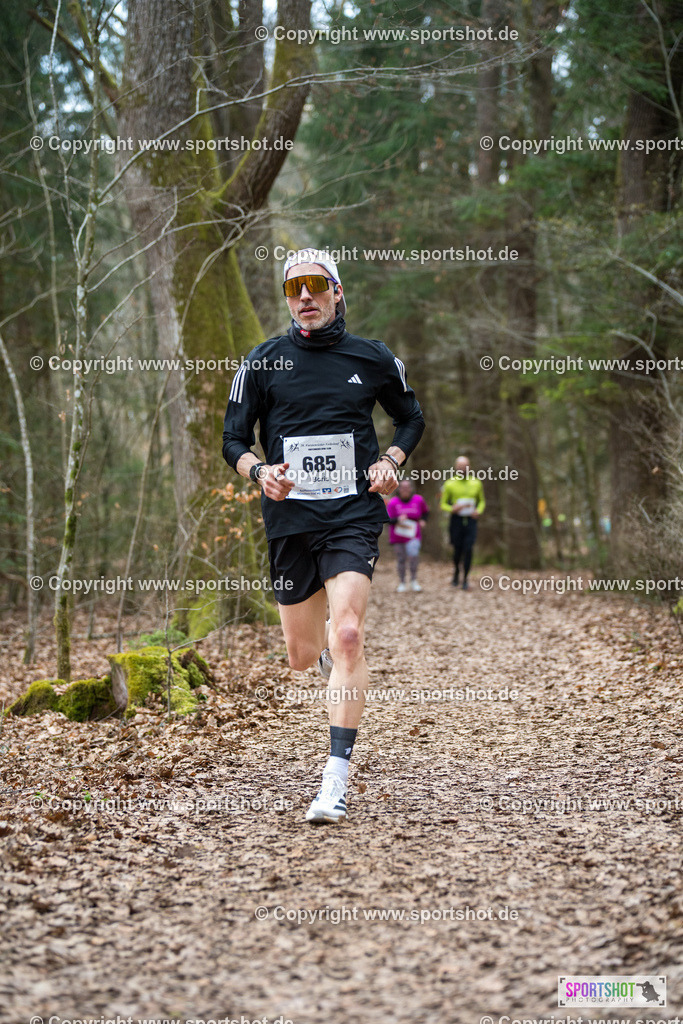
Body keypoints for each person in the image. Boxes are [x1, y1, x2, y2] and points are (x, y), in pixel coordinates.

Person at [222, 248, 424, 823]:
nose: (304, 297)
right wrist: (260, 472)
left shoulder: (372, 356)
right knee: (301, 654)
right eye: (294, 289)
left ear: (337, 291)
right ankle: (330, 656)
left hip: (351, 515)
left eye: (315, 286)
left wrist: (391, 459)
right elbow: (232, 441)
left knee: (351, 635)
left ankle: (334, 778)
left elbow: (411, 417)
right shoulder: (263, 362)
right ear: (288, 299)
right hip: (291, 521)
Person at [440, 455, 485, 590]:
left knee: (469, 548)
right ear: (455, 468)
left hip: (471, 520)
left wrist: (479, 511)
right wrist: (452, 509)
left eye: (465, 466)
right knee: (457, 549)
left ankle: (465, 578)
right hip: (456, 520)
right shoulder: (449, 484)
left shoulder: (476, 483)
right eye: (460, 466)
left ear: (469, 467)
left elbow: (481, 501)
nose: (462, 469)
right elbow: (443, 504)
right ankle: (456, 572)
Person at [386, 480, 429, 592]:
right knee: (401, 559)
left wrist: (423, 521)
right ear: (399, 489)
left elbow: (426, 512)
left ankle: (414, 580)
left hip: (413, 535)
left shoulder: (418, 500)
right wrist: (398, 519)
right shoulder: (393, 502)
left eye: (407, 487)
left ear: (411, 489)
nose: (405, 490)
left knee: (413, 555)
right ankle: (402, 582)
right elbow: (388, 519)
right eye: (403, 488)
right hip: (398, 536)